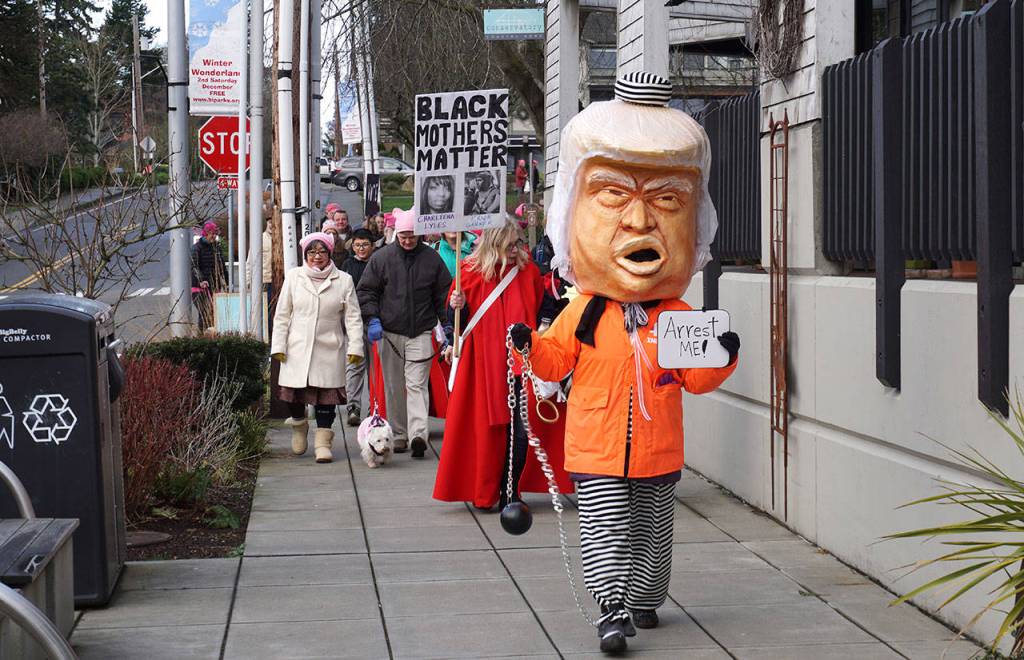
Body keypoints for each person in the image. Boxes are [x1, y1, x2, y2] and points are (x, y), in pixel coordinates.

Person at [508, 72, 741, 654]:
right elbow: (555, 359)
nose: (639, 222)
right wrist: (529, 344)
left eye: (667, 198)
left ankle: (646, 597)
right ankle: (611, 608)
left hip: (659, 449)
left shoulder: (676, 313)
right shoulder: (582, 311)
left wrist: (724, 358)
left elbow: (695, 376)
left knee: (654, 536)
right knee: (606, 534)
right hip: (597, 448)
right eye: (613, 194)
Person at [433, 220, 573, 510]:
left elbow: (544, 309)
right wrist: (455, 306)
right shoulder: (468, 274)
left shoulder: (529, 272)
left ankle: (511, 490)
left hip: (523, 363)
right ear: (492, 243)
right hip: (483, 363)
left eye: (517, 243)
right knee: (488, 429)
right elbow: (458, 325)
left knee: (522, 429)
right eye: (508, 244)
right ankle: (488, 490)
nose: (514, 250)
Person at [356, 208, 452, 458]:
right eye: (403, 236)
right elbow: (367, 291)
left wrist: (448, 324)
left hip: (420, 331)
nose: (407, 240)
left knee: (417, 384)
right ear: (396, 234)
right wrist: (373, 319)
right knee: (394, 385)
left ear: (419, 234)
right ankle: (398, 434)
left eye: (412, 236)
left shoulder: (432, 260)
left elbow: (443, 295)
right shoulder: (382, 258)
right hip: (389, 331)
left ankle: (418, 433)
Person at [271, 231, 364, 464]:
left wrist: (356, 347)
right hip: (297, 347)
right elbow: (282, 314)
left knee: (327, 397)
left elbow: (353, 317)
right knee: (293, 395)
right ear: (305, 254)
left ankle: (323, 443)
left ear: (330, 253)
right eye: (312, 252)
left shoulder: (343, 280)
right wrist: (278, 345)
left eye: (322, 251)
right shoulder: (294, 277)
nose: (317, 257)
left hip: (329, 346)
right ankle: (299, 425)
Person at [341, 228, 376, 426]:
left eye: (364, 245)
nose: (361, 249)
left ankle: (374, 405)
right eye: (357, 245)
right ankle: (353, 406)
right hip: (353, 322)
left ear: (372, 246)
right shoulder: (347, 265)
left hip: (375, 321)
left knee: (374, 366)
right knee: (354, 365)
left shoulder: (378, 262)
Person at [191, 221, 227, 331]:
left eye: (215, 234)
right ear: (205, 234)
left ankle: (211, 337)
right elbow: (194, 266)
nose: (214, 236)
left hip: (214, 286)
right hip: (199, 288)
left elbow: (222, 266)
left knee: (214, 313)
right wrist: (201, 280)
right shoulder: (196, 248)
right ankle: (202, 336)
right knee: (204, 313)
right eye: (212, 234)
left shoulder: (216, 247)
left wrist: (226, 280)